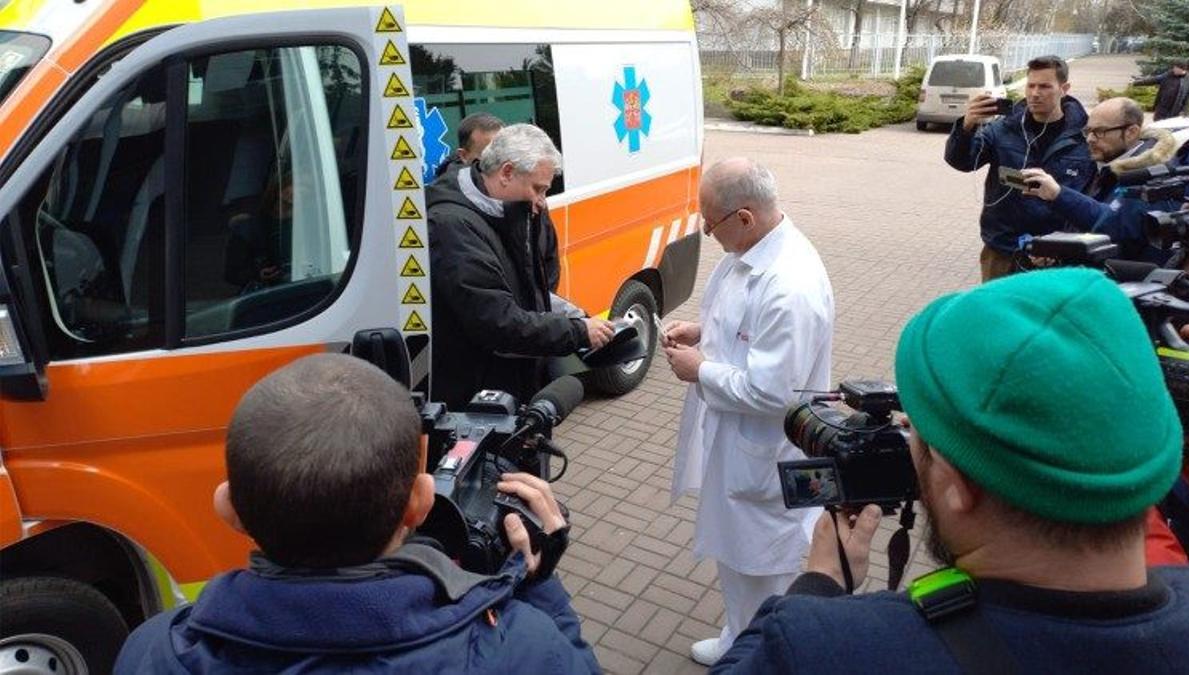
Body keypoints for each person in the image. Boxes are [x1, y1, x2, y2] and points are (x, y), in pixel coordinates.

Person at [713, 268, 1189, 674]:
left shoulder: (825, 649)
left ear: (959, 485)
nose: (908, 444)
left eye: (918, 437)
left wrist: (819, 583)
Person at [114, 353, 601, 674]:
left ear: (228, 507)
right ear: (420, 502)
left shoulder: (152, 653)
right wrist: (538, 583)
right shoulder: (523, 649)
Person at [662, 157, 834, 666]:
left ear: (744, 217)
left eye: (710, 222)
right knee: (736, 554)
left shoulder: (790, 285)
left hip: (765, 453)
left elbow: (774, 392)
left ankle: (761, 655)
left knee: (762, 565)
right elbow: (742, 329)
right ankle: (739, 632)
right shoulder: (749, 251)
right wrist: (704, 333)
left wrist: (701, 370)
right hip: (738, 445)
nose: (707, 232)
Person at [426, 124, 613, 410]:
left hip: (518, 387)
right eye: (538, 189)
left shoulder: (518, 207)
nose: (541, 202)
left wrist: (576, 316)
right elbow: (495, 321)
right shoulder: (451, 225)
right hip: (477, 401)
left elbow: (532, 286)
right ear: (507, 172)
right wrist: (576, 331)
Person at [945, 55, 1094, 281]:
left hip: (1060, 255)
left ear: (1064, 88)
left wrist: (1063, 244)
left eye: (1045, 86)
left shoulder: (1086, 137)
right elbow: (962, 162)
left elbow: (1093, 198)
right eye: (1031, 85)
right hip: (1004, 249)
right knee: (997, 314)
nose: (1035, 93)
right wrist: (966, 127)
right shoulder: (1003, 129)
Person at [1020, 96, 1188, 261]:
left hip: (1122, 285)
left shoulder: (1153, 178)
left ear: (1131, 132)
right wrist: (1058, 249)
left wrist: (1059, 195)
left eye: (1099, 132)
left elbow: (1115, 228)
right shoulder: (1104, 162)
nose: (1090, 139)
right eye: (1088, 131)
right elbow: (1087, 229)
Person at [434, 112, 504, 179]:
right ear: (464, 156)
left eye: (505, 151)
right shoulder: (451, 189)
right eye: (489, 156)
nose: (502, 162)